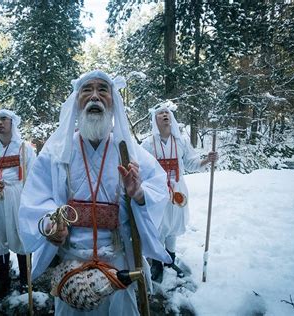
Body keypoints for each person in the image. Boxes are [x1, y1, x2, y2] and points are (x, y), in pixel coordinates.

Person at [18, 70, 171, 315]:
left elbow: (159, 188)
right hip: (71, 267)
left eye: (103, 90)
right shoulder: (57, 152)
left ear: (113, 101)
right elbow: (35, 199)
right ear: (77, 101)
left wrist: (140, 193)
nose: (95, 97)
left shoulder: (129, 151)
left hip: (118, 268)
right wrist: (50, 225)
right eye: (87, 90)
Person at [141, 102, 218, 283]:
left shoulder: (181, 141)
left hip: (178, 190)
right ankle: (157, 263)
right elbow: (142, 168)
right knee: (159, 226)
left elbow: (192, 163)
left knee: (174, 225)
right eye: (160, 113)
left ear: (172, 117)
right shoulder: (148, 144)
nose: (165, 115)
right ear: (155, 119)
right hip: (157, 191)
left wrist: (208, 160)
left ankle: (170, 260)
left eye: (167, 112)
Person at [0, 109, 36, 301]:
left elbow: (33, 178)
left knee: (20, 235)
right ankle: (2, 281)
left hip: (18, 197)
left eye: (4, 119)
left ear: (12, 123)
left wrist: (31, 203)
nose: (0, 123)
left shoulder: (24, 148)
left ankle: (26, 279)